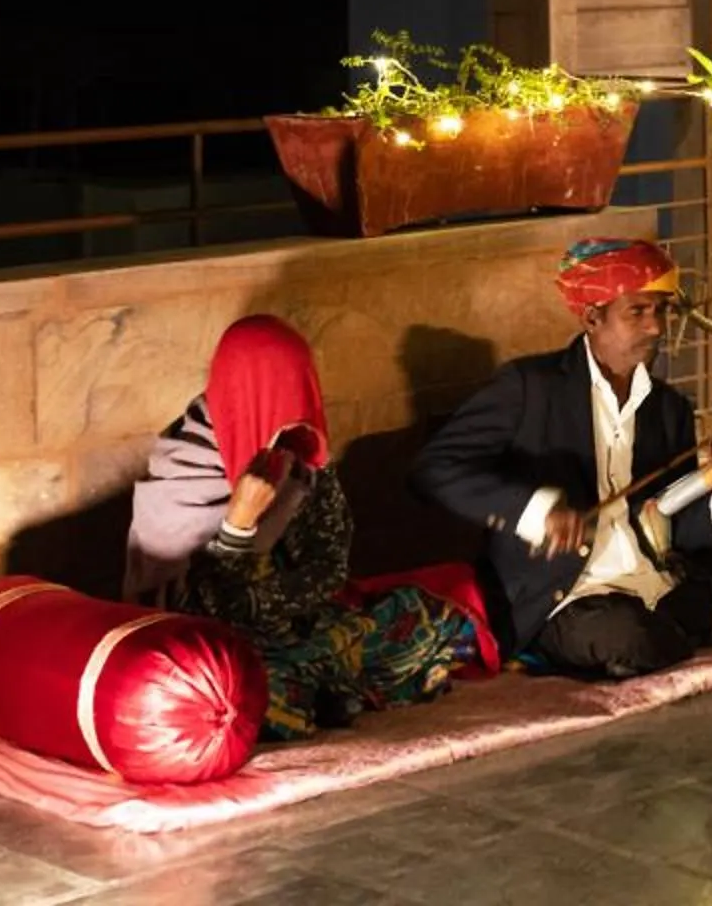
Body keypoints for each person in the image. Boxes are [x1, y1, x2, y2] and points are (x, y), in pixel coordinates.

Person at [411, 238, 712, 679]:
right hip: (567, 596)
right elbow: (434, 469)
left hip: (653, 581)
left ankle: (694, 624)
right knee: (633, 636)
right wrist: (534, 512)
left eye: (661, 311)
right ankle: (694, 629)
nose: (655, 327)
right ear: (591, 317)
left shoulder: (668, 408)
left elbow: (676, 523)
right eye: (637, 312)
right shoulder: (528, 388)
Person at [125, 315, 475, 740]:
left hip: (296, 625)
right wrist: (239, 525)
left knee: (431, 617)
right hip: (211, 643)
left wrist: (280, 608)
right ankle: (324, 686)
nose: (291, 418)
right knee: (233, 690)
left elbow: (329, 566)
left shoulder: (299, 448)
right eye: (277, 397)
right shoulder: (184, 471)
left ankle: (321, 684)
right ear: (244, 391)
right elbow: (198, 613)